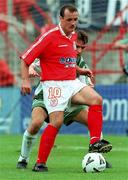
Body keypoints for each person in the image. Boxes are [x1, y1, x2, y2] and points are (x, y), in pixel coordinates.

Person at [20, 4, 112, 172]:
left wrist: (80, 70)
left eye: (75, 19)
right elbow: (25, 59)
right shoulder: (49, 37)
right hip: (53, 85)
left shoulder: (73, 36)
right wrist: (25, 80)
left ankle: (94, 142)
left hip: (71, 82)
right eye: (69, 19)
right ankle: (40, 163)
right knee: (57, 122)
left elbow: (64, 61)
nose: (73, 23)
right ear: (61, 19)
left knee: (96, 99)